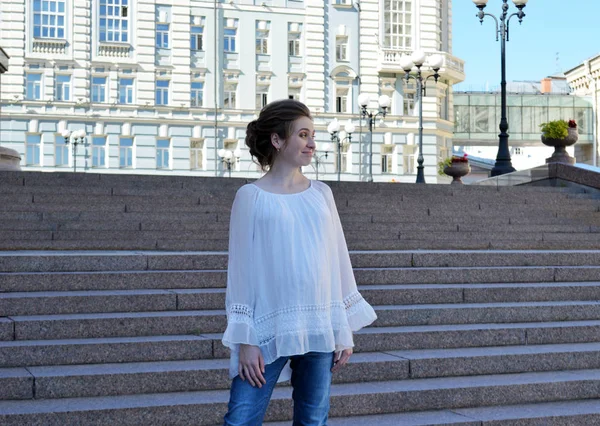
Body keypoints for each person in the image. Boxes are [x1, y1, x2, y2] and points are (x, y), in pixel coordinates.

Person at [222, 99, 377, 426]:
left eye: (313, 135)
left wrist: (342, 328)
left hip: (319, 323)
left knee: (313, 420)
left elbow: (337, 259)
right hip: (267, 328)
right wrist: (246, 340)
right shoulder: (250, 197)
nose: (312, 143)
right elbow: (240, 273)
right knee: (241, 419)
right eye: (303, 135)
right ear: (277, 140)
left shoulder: (321, 194)